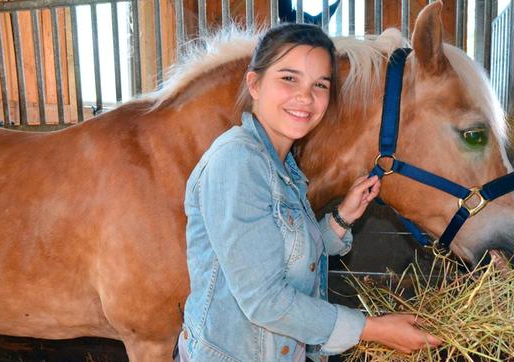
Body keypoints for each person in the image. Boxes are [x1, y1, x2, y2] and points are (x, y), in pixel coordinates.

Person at [177, 23, 442, 361]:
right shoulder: (236, 162)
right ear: (254, 84)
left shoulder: (283, 166)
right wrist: (372, 329)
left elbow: (283, 257)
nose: (306, 97)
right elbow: (265, 301)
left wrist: (341, 219)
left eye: (320, 84)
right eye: (289, 79)